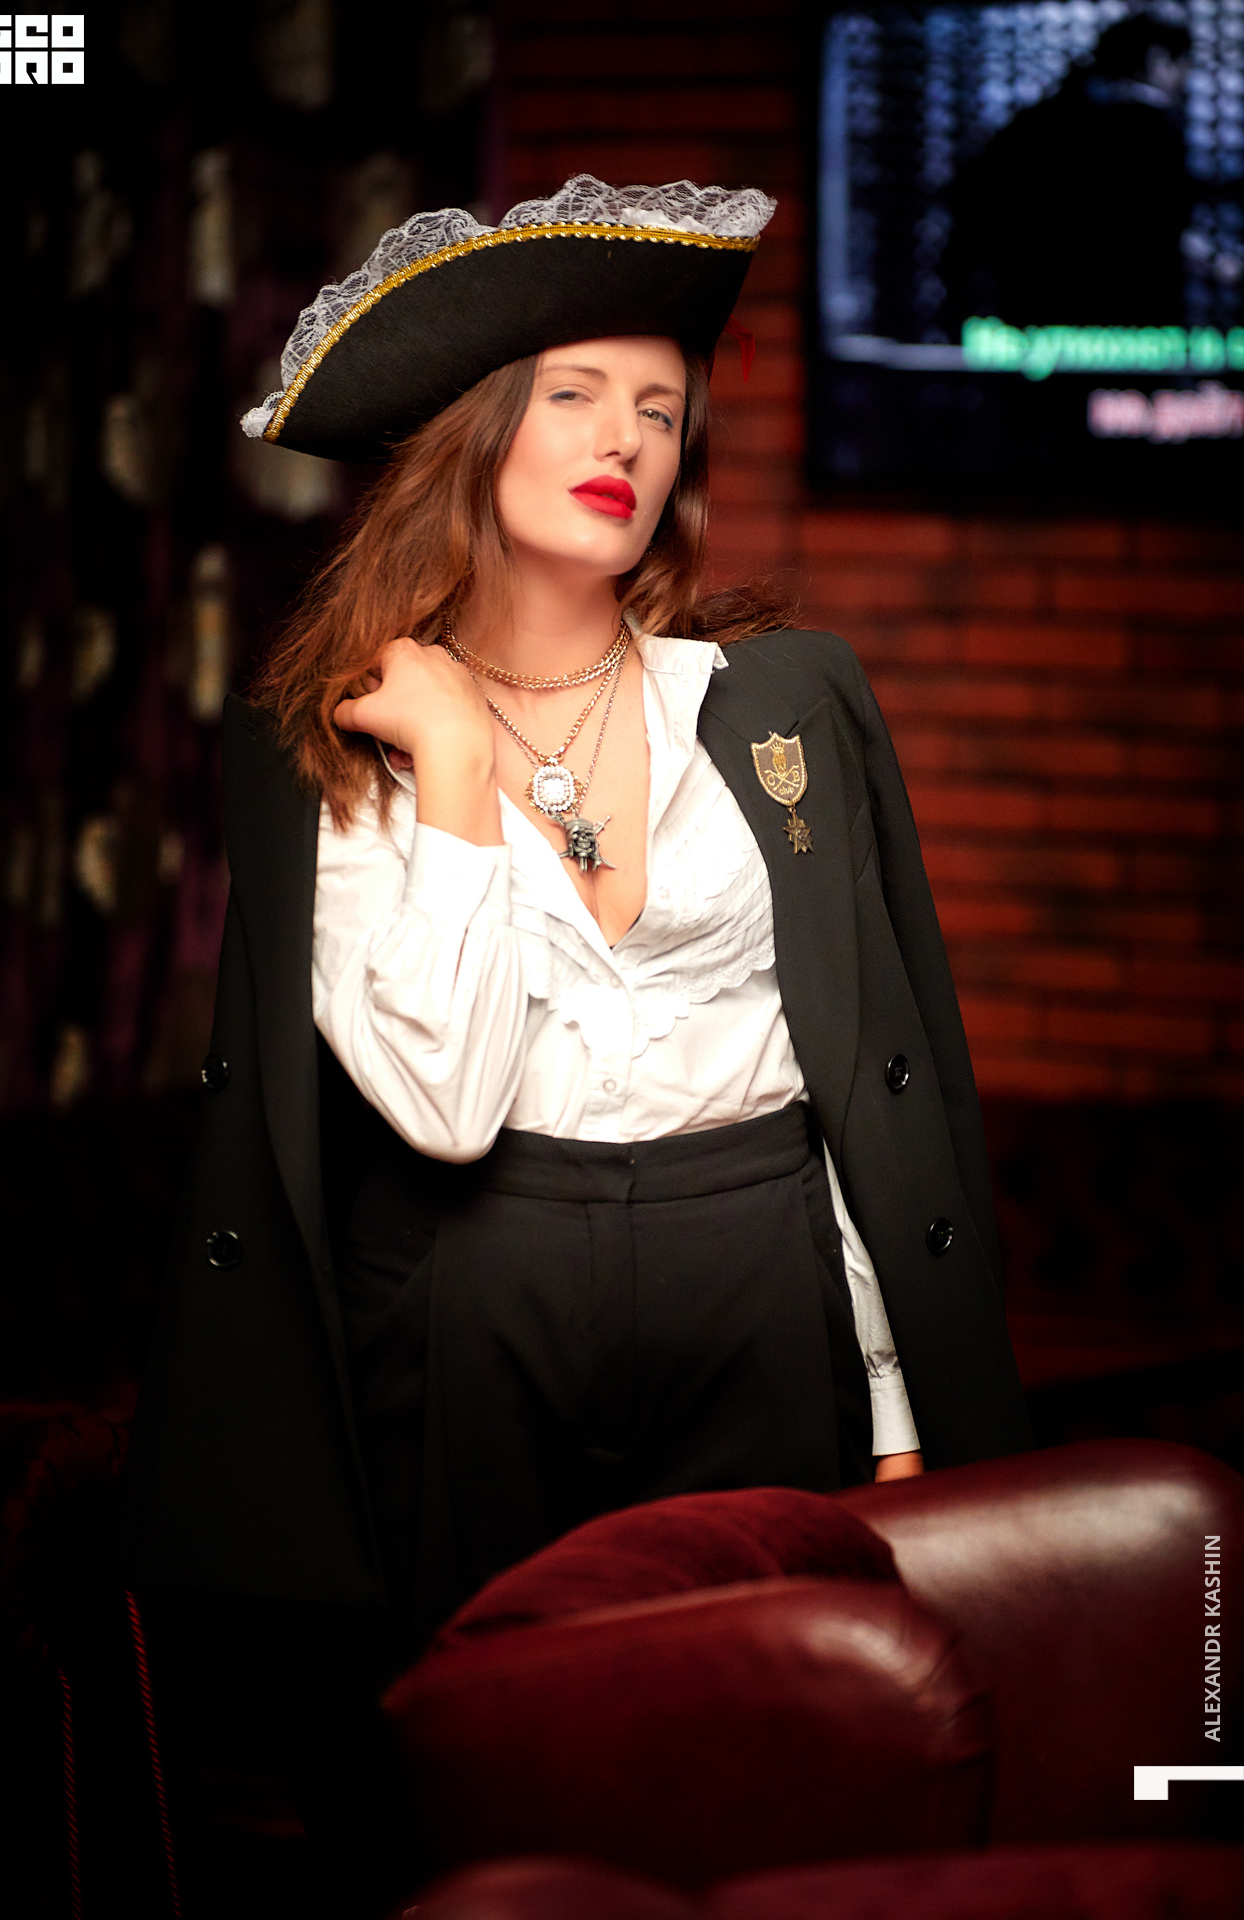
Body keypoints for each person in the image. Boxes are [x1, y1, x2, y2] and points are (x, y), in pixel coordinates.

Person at [118, 173, 1032, 1905]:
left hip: (759, 1282)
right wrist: (459, 765)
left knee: (786, 1781)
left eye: (663, 411)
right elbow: (446, 1105)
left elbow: (853, 1089)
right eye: (578, 396)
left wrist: (891, 1395)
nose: (628, 438)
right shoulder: (340, 749)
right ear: (474, 435)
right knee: (489, 1795)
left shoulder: (779, 704)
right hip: (473, 1305)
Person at [942, 11, 1194, 331]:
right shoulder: (1152, 131)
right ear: (1157, 59)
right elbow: (1161, 225)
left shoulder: (1034, 124)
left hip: (1033, 310)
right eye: (1184, 65)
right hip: (1125, 317)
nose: (1186, 80)